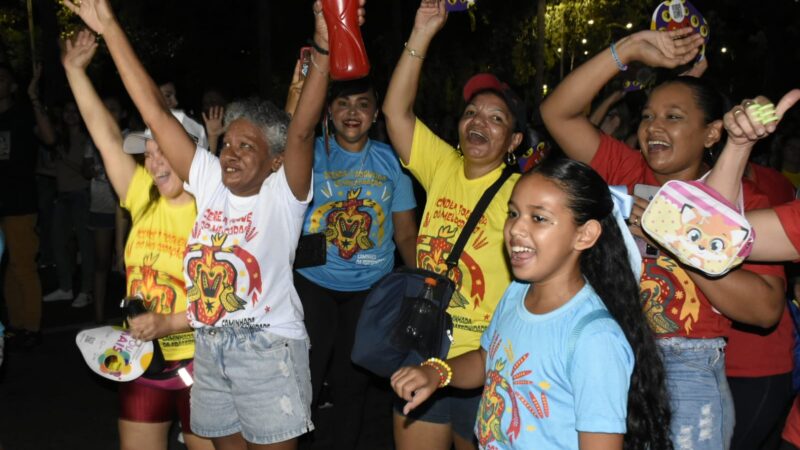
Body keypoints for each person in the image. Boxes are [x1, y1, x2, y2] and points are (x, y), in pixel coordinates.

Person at [63, 0, 362, 448]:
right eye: (229, 143)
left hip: (268, 353)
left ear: (276, 162)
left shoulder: (283, 197)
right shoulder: (209, 182)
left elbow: (299, 130)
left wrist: (323, 47)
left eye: (248, 146)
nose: (231, 152)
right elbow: (155, 114)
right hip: (210, 349)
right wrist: (108, 24)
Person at [540, 28, 787, 450]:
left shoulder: (741, 202)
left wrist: (675, 237)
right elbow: (556, 113)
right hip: (609, 359)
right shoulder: (625, 169)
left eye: (673, 117)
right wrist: (629, 49)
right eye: (649, 116)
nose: (654, 127)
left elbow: (765, 309)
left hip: (686, 376)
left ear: (712, 134)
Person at [391, 158, 672, 449]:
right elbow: (487, 361)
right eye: (514, 213)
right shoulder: (517, 293)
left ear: (584, 235)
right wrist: (437, 372)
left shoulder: (594, 338)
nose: (515, 229)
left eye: (538, 218)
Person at [381, 2, 526, 448]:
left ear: (514, 141)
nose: (478, 121)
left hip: (482, 363)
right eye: (471, 113)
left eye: (495, 118)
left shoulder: (524, 191)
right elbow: (395, 113)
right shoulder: (443, 164)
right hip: (421, 346)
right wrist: (422, 30)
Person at [62, 29, 213, 450]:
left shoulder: (215, 211)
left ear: (193, 153)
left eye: (164, 149)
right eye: (148, 152)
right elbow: (105, 136)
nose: (154, 161)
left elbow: (235, 298)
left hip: (203, 365)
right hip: (141, 360)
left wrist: (170, 322)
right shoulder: (142, 192)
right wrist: (74, 70)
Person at [293, 75, 418, 449]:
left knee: (352, 387)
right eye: (343, 104)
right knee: (305, 383)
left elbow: (406, 234)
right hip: (312, 283)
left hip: (369, 292)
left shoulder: (391, 162)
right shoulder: (308, 152)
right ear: (328, 112)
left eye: (362, 104)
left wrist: (423, 287)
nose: (352, 113)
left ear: (376, 113)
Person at [0, 61, 56, 350]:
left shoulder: (22, 114)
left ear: (12, 87)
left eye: (2, 78)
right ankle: (16, 324)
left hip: (19, 203)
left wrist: (34, 97)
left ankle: (32, 328)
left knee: (23, 266)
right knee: (8, 267)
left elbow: (49, 138)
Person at [43, 98, 95, 308]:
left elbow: (87, 171)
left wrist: (64, 159)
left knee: (85, 245)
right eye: (67, 110)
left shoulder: (87, 138)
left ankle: (86, 290)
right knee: (57, 242)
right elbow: (57, 170)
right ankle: (65, 288)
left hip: (81, 195)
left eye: (75, 110)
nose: (71, 114)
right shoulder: (58, 139)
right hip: (62, 196)